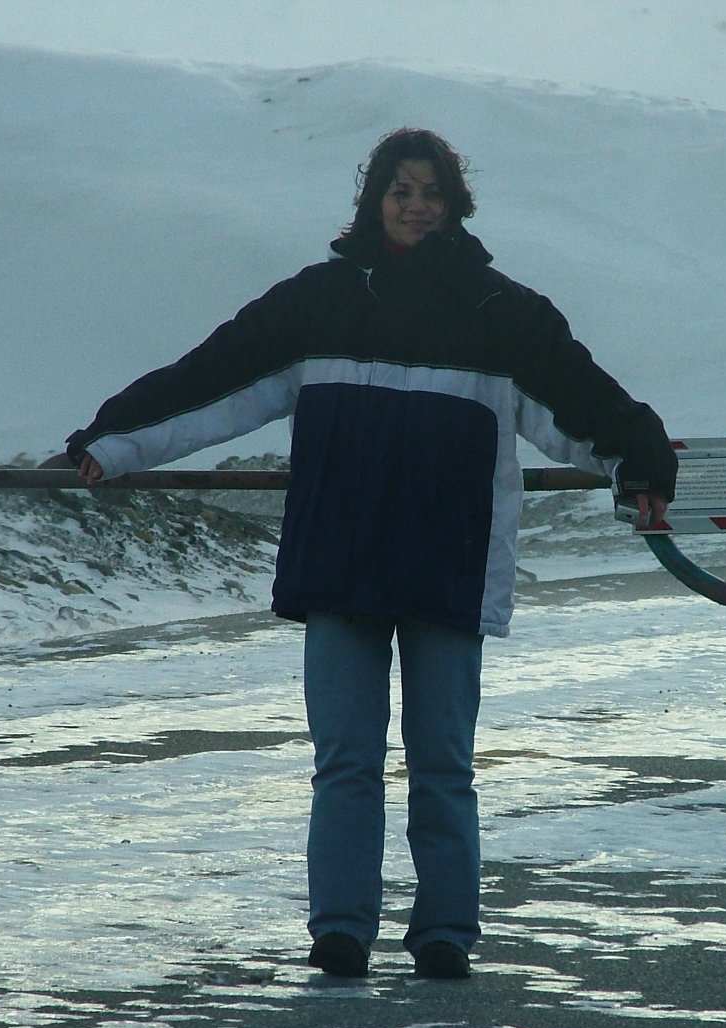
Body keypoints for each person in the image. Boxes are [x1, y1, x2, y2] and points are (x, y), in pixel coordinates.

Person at [66, 128, 676, 979]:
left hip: (448, 567)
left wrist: (640, 462)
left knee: (443, 766)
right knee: (346, 762)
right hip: (341, 566)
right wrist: (114, 440)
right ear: (373, 202)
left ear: (454, 204)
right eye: (400, 191)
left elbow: (585, 403)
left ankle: (444, 935)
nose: (416, 207)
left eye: (431, 193)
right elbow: (212, 378)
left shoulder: (502, 314)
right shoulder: (316, 302)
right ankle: (342, 931)